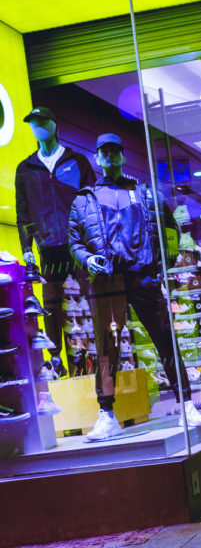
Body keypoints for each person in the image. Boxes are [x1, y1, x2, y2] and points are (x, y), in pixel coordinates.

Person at [69, 133, 201, 441]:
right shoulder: (85, 198)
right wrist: (88, 258)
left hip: (143, 275)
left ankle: (186, 404)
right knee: (108, 347)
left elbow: (170, 228)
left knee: (165, 339)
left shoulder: (144, 193)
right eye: (104, 152)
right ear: (97, 157)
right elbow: (74, 241)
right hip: (109, 280)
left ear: (122, 156)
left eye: (115, 151)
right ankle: (106, 414)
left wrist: (162, 264)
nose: (109, 157)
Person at [15, 106, 95, 376]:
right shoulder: (26, 168)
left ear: (53, 124)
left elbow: (92, 203)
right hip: (48, 248)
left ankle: (104, 356)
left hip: (79, 246)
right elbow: (23, 212)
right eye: (33, 123)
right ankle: (56, 362)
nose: (37, 127)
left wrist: (93, 241)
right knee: (50, 307)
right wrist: (27, 249)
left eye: (42, 121)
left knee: (95, 298)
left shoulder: (77, 161)